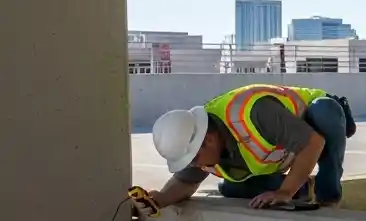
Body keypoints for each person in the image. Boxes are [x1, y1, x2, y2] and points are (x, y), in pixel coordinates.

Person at [144, 83, 348, 210]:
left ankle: (328, 196)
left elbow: (314, 143)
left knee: (326, 112)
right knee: (231, 187)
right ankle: (302, 188)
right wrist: (159, 199)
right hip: (285, 152)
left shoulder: (254, 113)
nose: (194, 166)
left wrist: (284, 192)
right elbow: (185, 183)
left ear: (208, 140)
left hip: (310, 123)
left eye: (193, 160)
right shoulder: (198, 141)